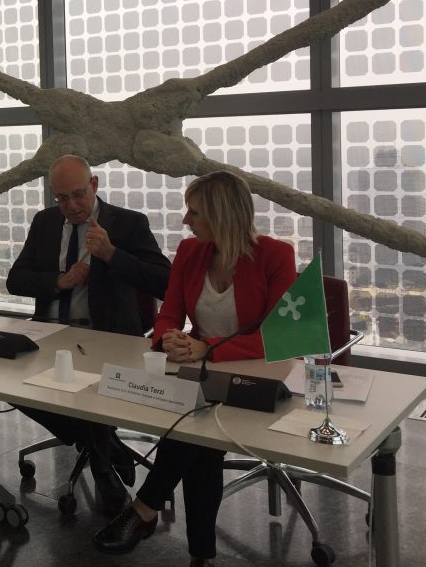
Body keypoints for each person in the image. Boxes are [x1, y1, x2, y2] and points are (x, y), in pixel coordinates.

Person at [92, 169, 297, 567]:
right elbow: (169, 313)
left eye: (195, 212)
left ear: (223, 215)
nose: (186, 220)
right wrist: (168, 337)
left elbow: (280, 338)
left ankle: (146, 510)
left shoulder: (275, 256)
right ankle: (199, 554)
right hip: (200, 370)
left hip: (259, 375)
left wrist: (208, 348)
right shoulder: (190, 252)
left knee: (194, 430)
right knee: (199, 437)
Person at [6, 154, 171, 514]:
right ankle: (104, 446)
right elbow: (15, 280)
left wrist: (112, 254)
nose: (71, 206)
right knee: (7, 381)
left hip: (106, 335)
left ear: (94, 185)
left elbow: (165, 281)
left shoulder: (128, 224)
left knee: (92, 389)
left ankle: (102, 465)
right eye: (61, 198)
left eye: (78, 194)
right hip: (50, 332)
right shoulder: (45, 222)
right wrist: (58, 281)